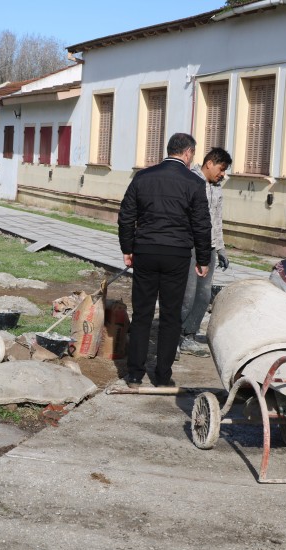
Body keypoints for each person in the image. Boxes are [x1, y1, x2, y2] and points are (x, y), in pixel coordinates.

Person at [118, 133, 212, 388]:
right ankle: (162, 376)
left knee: (142, 313)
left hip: (145, 251)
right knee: (171, 315)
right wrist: (203, 258)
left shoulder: (143, 177)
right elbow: (202, 225)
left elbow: (126, 216)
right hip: (177, 255)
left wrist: (127, 248)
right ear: (188, 153)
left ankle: (135, 375)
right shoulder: (193, 182)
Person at [179, 147, 233, 358]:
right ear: (209, 163)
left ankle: (189, 336)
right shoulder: (189, 181)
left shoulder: (217, 188)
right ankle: (173, 336)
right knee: (187, 295)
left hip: (208, 247)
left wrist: (220, 248)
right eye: (221, 169)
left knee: (203, 295)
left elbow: (217, 219)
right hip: (190, 246)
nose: (223, 174)